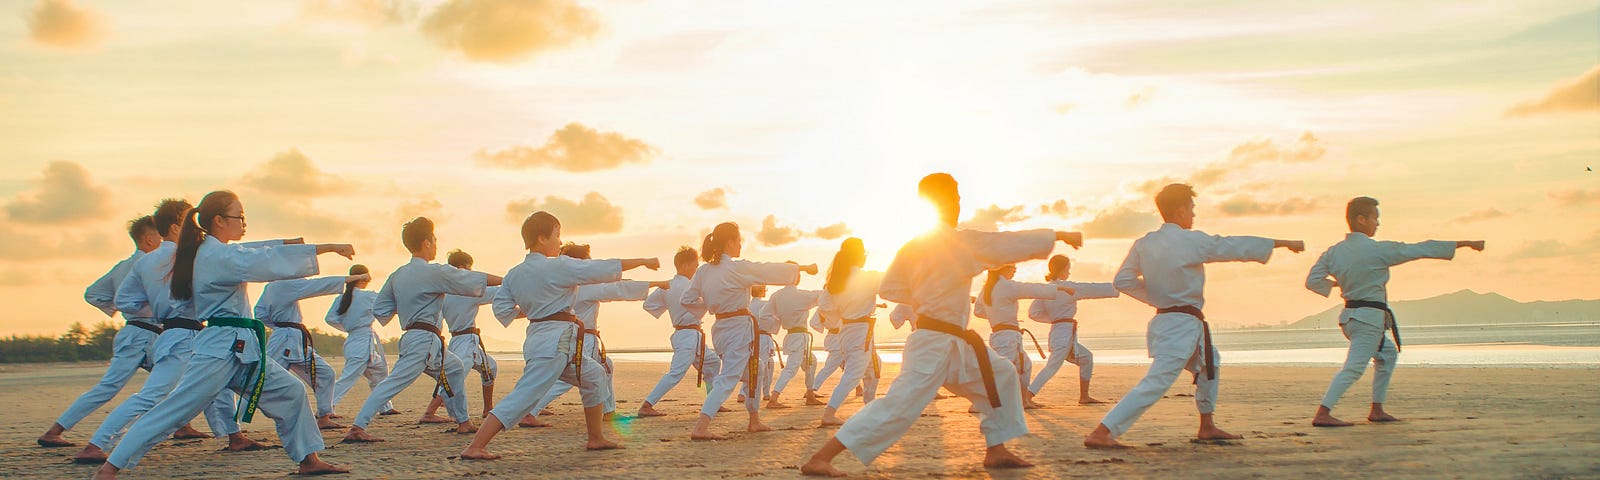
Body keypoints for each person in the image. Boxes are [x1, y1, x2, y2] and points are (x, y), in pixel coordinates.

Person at [801, 173, 1084, 476]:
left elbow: (890, 289)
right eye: (954, 197)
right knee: (899, 406)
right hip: (933, 341)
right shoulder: (960, 241)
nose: (958, 203)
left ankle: (997, 449)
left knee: (1001, 374)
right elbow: (1007, 243)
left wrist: (925, 295)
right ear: (938, 202)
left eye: (959, 197)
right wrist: (1058, 236)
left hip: (955, 340)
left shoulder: (914, 246)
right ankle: (821, 457)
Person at [96, 190, 355, 478]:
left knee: (291, 391)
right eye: (240, 217)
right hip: (220, 349)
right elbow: (264, 260)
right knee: (174, 410)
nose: (244, 223)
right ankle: (109, 468)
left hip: (242, 348)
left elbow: (257, 252)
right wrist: (325, 248)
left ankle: (308, 459)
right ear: (219, 220)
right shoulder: (217, 255)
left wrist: (317, 246)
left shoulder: (210, 250)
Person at [1083, 183, 1304, 449]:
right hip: (1180, 324)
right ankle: (1103, 431)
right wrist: (1283, 243)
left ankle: (1207, 425)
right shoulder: (1191, 241)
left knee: (1211, 363)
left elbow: (1123, 281)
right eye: (1191, 209)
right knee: (1159, 378)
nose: (1193, 215)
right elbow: (1234, 246)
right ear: (1179, 211)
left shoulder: (1144, 243)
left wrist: (1157, 296)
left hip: (1170, 320)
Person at [459, 211, 659, 458]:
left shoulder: (513, 274)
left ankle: (595, 438)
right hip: (555, 342)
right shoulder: (558, 266)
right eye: (557, 235)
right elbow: (600, 268)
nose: (559, 241)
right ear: (542, 238)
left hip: (540, 337)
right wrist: (643, 260)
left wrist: (536, 308)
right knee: (525, 395)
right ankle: (475, 446)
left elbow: (503, 310)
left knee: (594, 374)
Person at [74, 200, 256, 464]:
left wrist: (158, 310)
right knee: (152, 396)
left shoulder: (146, 262)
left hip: (174, 333)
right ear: (174, 227)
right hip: (186, 335)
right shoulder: (190, 254)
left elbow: (125, 301)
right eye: (188, 221)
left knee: (220, 386)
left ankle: (234, 436)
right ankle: (96, 444)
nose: (197, 226)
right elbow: (243, 253)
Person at [1305, 196, 1484, 427]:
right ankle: (1323, 413)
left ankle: (1377, 410)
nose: (1377, 224)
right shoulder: (1378, 250)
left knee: (1387, 355)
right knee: (1354, 368)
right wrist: (1465, 242)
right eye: (1374, 218)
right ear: (1361, 220)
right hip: (1368, 319)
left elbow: (1312, 281)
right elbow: (1420, 249)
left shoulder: (1333, 252)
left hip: (1350, 318)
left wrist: (1337, 284)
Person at [343, 217, 499, 442]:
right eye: (434, 240)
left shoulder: (398, 274)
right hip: (423, 339)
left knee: (454, 369)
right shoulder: (432, 272)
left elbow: (381, 309)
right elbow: (469, 278)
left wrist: (409, 306)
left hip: (420, 337)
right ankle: (358, 427)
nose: (436, 244)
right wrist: (507, 280)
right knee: (394, 382)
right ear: (426, 242)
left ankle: (463, 421)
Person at [682, 222, 817, 440]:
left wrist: (710, 304)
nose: (740, 245)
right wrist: (802, 269)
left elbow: (686, 299)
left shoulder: (704, 271)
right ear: (730, 242)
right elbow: (765, 269)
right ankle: (701, 427)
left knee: (757, 368)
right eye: (739, 241)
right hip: (737, 327)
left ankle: (754, 420)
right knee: (728, 377)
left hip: (721, 328)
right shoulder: (735, 267)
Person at [38, 215, 165, 448]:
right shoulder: (147, 265)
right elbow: (95, 295)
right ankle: (54, 431)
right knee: (109, 387)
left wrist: (116, 308)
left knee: (174, 379)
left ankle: (183, 427)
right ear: (148, 240)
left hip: (147, 334)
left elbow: (93, 294)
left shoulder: (124, 265)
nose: (166, 240)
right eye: (162, 235)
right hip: (141, 333)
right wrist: (134, 308)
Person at [527, 243, 669, 422]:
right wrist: (656, 283)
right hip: (583, 339)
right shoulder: (584, 286)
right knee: (572, 376)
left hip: (574, 336)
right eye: (588, 261)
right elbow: (617, 288)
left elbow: (614, 286)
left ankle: (608, 411)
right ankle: (531, 411)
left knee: (605, 367)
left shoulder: (565, 286)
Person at [256, 274, 367, 430]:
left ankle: (324, 416)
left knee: (325, 373)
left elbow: (260, 313)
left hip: (293, 337)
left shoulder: (270, 287)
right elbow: (317, 285)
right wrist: (354, 278)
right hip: (284, 339)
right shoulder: (285, 284)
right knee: (261, 380)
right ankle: (236, 425)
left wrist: (279, 326)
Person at [638, 247, 726, 417]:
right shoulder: (691, 286)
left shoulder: (666, 285)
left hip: (688, 334)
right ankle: (646, 405)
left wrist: (671, 307)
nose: (696, 270)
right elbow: (707, 302)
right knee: (676, 373)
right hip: (688, 335)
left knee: (713, 362)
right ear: (685, 266)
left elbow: (648, 305)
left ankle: (712, 401)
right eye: (695, 266)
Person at [1026, 254, 1120, 404]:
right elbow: (1093, 289)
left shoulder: (1045, 290)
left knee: (1086, 358)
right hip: (1064, 333)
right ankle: (1028, 396)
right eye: (1067, 269)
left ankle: (1084, 396)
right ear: (1062, 270)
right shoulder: (1069, 288)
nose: (1068, 272)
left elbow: (1033, 313)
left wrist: (1055, 319)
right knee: (1052, 366)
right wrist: (1120, 286)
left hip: (1059, 331)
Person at [422, 250, 502, 422]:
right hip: (465, 341)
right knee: (455, 377)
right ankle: (429, 413)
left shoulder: (444, 292)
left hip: (461, 339)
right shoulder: (467, 290)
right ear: (463, 268)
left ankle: (488, 408)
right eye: (469, 267)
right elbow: (496, 292)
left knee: (491, 368)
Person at [978, 264, 1072, 409]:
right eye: (1012, 266)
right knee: (1002, 370)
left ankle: (1023, 402)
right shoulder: (1006, 286)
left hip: (1003, 334)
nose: (1015, 269)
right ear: (1002, 268)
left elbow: (979, 311)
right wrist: (1061, 287)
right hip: (1007, 336)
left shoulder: (988, 288)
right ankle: (978, 402)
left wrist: (998, 316)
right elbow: (1031, 289)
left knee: (1024, 366)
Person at [818, 237, 886, 426]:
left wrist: (838, 318)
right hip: (860, 331)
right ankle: (829, 413)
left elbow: (823, 306)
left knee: (875, 366)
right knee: (853, 373)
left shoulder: (835, 282)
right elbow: (893, 283)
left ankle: (869, 407)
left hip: (848, 330)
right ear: (860, 255)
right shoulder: (869, 277)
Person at [324, 264, 397, 417]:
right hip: (361, 342)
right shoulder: (367, 296)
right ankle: (326, 409)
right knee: (348, 378)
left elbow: (330, 319)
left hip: (354, 340)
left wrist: (348, 328)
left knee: (380, 370)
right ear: (363, 279)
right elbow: (387, 303)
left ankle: (385, 406)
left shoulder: (342, 298)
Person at [762, 283, 825, 408]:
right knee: (791, 368)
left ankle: (810, 394)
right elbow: (822, 296)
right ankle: (773, 399)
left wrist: (780, 321)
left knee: (811, 362)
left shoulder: (776, 295)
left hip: (793, 335)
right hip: (798, 337)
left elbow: (763, 314)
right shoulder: (800, 295)